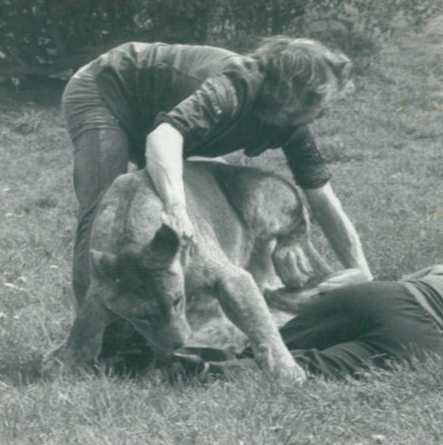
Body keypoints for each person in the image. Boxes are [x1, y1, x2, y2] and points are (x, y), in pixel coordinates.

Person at [62, 37, 373, 307]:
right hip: (108, 90)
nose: (322, 115)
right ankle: (92, 337)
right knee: (104, 210)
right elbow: (164, 137)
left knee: (218, 215)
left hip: (163, 120)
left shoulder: (294, 123)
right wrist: (177, 209)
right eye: (321, 105)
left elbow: (322, 198)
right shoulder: (232, 88)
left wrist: (363, 276)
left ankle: (182, 312)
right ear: (291, 98)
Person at [169, 249, 443, 381]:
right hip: (419, 330)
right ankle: (214, 375)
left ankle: (207, 356)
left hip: (380, 293)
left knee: (284, 344)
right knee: (314, 370)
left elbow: (409, 280)